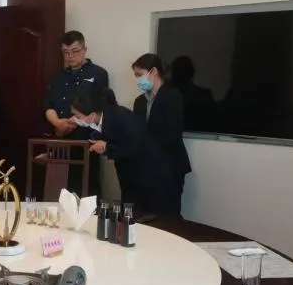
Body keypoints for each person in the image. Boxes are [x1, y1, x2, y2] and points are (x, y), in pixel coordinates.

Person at [70, 85, 179, 219]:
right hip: (131, 176)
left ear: (92, 115)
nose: (74, 119)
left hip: (150, 175)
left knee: (156, 221)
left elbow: (135, 146)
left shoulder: (120, 117)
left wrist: (106, 146)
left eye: (77, 116)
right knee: (130, 216)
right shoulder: (105, 117)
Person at [43, 31, 109, 197]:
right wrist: (57, 122)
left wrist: (80, 121)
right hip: (61, 140)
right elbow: (48, 105)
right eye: (66, 52)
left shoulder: (98, 74)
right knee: (60, 189)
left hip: (87, 141)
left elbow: (102, 109)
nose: (70, 56)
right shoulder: (58, 76)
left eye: (75, 51)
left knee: (87, 189)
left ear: (84, 49)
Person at [132, 53, 191, 217]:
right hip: (146, 168)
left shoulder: (173, 96)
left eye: (140, 74)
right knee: (148, 215)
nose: (138, 80)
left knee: (168, 215)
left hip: (169, 166)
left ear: (153, 72)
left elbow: (172, 133)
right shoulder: (139, 101)